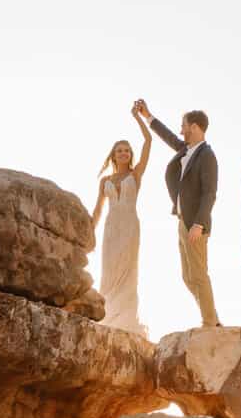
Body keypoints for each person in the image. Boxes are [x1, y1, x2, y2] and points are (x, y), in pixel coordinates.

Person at [133, 98, 220, 328]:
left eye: (183, 125)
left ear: (194, 127)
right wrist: (147, 115)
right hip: (182, 221)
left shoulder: (207, 156)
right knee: (188, 277)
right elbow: (168, 136)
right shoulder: (186, 150)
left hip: (195, 224)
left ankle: (210, 322)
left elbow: (209, 193)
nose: (181, 130)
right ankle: (211, 315)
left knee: (199, 274)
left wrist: (199, 224)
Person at [91, 106, 151, 336]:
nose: (124, 153)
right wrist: (90, 232)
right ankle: (106, 320)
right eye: (120, 150)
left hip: (129, 227)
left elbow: (147, 142)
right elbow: (97, 209)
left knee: (127, 273)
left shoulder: (135, 175)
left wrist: (138, 117)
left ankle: (125, 323)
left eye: (127, 150)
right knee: (109, 273)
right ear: (113, 155)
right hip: (110, 230)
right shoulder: (105, 180)